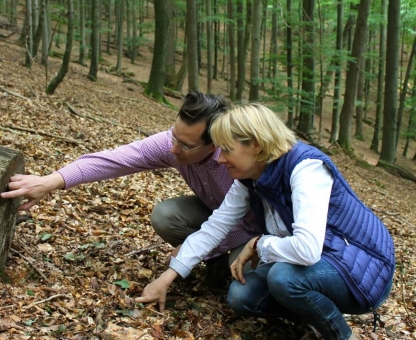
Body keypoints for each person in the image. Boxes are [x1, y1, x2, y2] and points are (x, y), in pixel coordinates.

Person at [136, 103, 395, 340]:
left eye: (226, 149)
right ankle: (314, 317)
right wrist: (166, 278)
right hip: (317, 263)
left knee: (284, 279)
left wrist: (259, 244)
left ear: (256, 145)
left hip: (362, 269)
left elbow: (307, 249)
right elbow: (215, 227)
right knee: (241, 296)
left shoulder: (306, 169)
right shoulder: (249, 178)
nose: (220, 158)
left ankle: (342, 336)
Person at [0, 91, 259, 293]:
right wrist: (52, 180)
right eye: (173, 137)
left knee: (244, 281)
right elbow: (116, 160)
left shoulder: (237, 161)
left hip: (254, 232)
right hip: (214, 214)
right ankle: (214, 263)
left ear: (213, 144)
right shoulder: (175, 144)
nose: (173, 149)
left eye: (185, 145)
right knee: (165, 215)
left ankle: (223, 267)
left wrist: (196, 247)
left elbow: (251, 223)